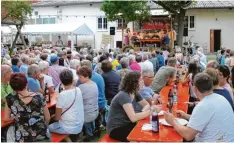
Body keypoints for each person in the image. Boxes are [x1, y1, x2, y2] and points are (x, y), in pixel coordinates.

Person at [164, 73, 234, 142]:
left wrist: (173, 121)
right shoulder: (220, 98)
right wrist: (186, 116)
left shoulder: (203, 105)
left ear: (195, 89)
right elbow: (206, 118)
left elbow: (188, 135)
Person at [5, 73, 51, 142]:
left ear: (12, 87)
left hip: (23, 138)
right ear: (26, 84)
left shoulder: (9, 98)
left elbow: (6, 118)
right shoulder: (39, 96)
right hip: (42, 135)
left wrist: (17, 115)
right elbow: (47, 117)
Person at [107, 72, 151, 142]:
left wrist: (142, 113)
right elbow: (133, 118)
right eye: (141, 80)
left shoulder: (134, 92)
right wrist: (150, 112)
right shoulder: (124, 95)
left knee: (148, 131)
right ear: (133, 83)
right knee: (142, 136)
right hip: (116, 128)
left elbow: (146, 105)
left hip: (127, 124)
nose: (143, 81)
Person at [49, 69, 84, 134]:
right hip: (79, 124)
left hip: (68, 127)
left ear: (61, 81)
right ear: (72, 79)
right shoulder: (78, 89)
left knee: (47, 128)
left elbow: (57, 118)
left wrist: (51, 117)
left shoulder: (62, 95)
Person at [77, 66, 99, 137]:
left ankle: (88, 135)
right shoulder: (94, 83)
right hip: (95, 111)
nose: (79, 79)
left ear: (86, 76)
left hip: (87, 114)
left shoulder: (82, 87)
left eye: (80, 77)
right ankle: (91, 132)